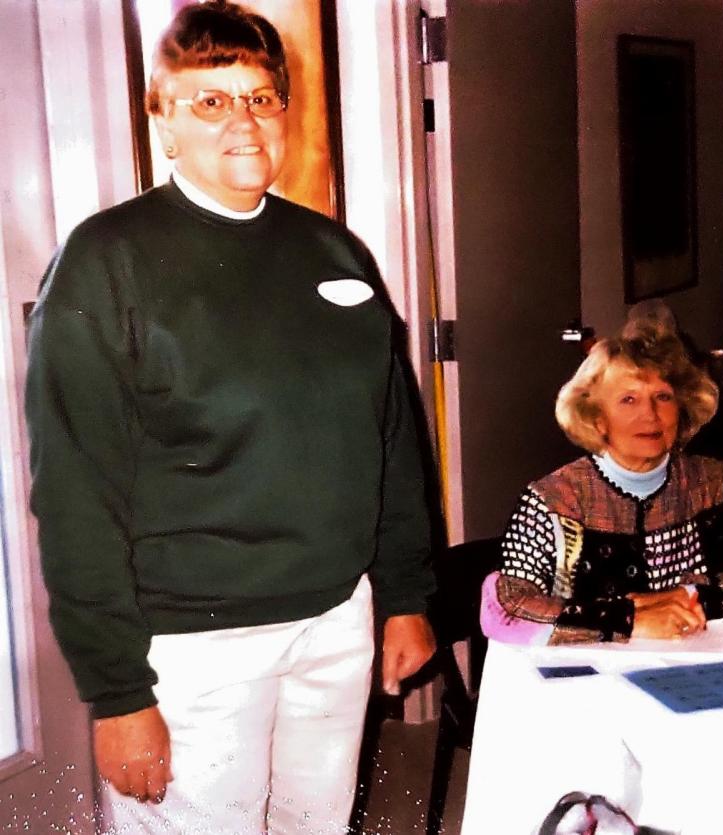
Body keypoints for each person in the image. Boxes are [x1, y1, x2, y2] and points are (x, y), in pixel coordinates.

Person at [25, 3, 435, 831]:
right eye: (210, 101)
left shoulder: (335, 253)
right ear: (163, 119)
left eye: (259, 97)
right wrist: (117, 693)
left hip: (333, 621)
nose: (242, 121)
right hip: (191, 646)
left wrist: (404, 593)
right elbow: (75, 495)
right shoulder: (107, 262)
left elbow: (391, 439)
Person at [480, 321, 723, 645]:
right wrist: (630, 618)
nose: (650, 414)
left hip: (701, 669)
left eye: (663, 396)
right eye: (628, 400)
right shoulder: (552, 501)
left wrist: (687, 596)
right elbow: (505, 612)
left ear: (683, 407)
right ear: (597, 417)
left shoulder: (721, 485)